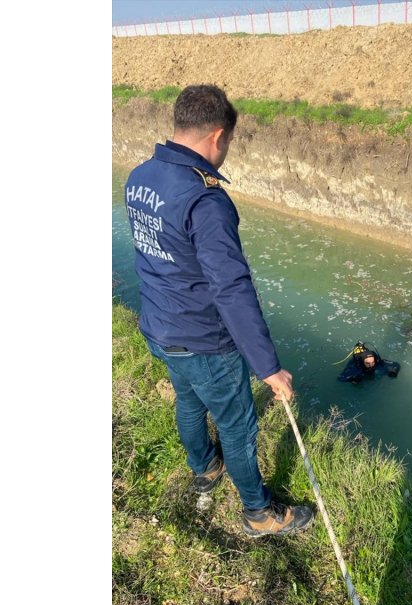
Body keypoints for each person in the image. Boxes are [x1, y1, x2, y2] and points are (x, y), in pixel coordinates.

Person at [124, 84, 313, 538]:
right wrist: (268, 367)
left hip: (159, 327)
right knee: (238, 425)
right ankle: (257, 514)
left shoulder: (140, 177)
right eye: (228, 141)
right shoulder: (205, 199)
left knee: (189, 401)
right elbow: (231, 289)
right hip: (203, 339)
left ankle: (205, 468)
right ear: (218, 136)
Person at [337, 342, 401, 384]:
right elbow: (340, 378)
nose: (371, 365)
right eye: (368, 363)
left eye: (372, 362)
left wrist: (393, 370)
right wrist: (353, 378)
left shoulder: (377, 362)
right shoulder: (355, 367)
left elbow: (396, 364)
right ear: (363, 362)